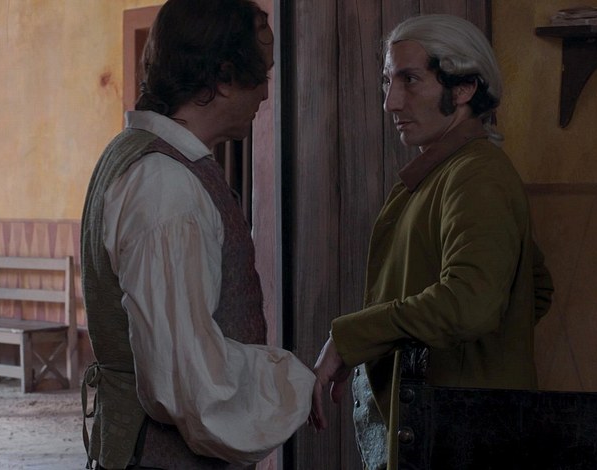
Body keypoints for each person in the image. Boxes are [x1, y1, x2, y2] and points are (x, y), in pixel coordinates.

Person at [309, 14, 554, 470]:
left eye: (410, 80)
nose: (391, 102)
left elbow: (473, 302)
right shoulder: (448, 172)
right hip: (442, 433)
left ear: (463, 88)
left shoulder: (475, 175)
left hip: (457, 440)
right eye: (388, 81)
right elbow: (532, 289)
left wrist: (352, 338)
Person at [80, 1, 315, 469]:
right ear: (224, 76)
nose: (266, 93)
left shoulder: (141, 157)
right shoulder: (165, 184)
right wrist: (296, 383)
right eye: (262, 74)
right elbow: (189, 381)